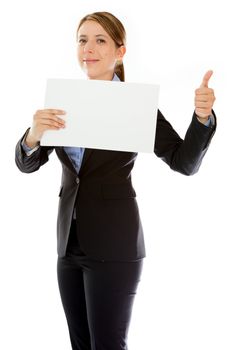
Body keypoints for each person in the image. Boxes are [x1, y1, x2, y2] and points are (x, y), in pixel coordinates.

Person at [15, 11, 216, 350]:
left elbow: (184, 163)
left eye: (100, 40)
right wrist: (33, 135)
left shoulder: (135, 106)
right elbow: (27, 164)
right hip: (68, 246)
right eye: (82, 40)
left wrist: (201, 117)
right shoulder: (64, 101)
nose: (88, 49)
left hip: (115, 247)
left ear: (120, 51)